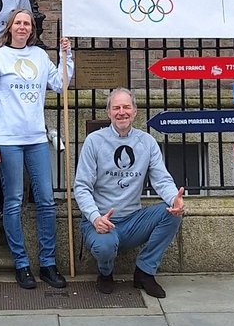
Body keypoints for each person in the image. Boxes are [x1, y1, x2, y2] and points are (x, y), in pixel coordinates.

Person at [0, 9, 72, 289]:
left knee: (45, 199)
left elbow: (60, 85)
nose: (22, 27)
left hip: (36, 138)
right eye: (18, 23)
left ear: (32, 29)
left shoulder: (39, 56)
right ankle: (21, 264)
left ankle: (48, 263)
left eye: (27, 24)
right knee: (14, 200)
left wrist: (66, 56)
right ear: (10, 27)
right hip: (8, 139)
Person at [73, 88, 185, 297]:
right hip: (101, 221)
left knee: (172, 213)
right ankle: (105, 273)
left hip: (134, 220)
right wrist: (95, 217)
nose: (121, 112)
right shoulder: (94, 141)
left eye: (126, 107)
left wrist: (174, 199)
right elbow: (81, 186)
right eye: (116, 107)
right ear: (108, 112)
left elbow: (161, 179)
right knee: (105, 247)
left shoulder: (147, 142)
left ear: (135, 112)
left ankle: (144, 272)